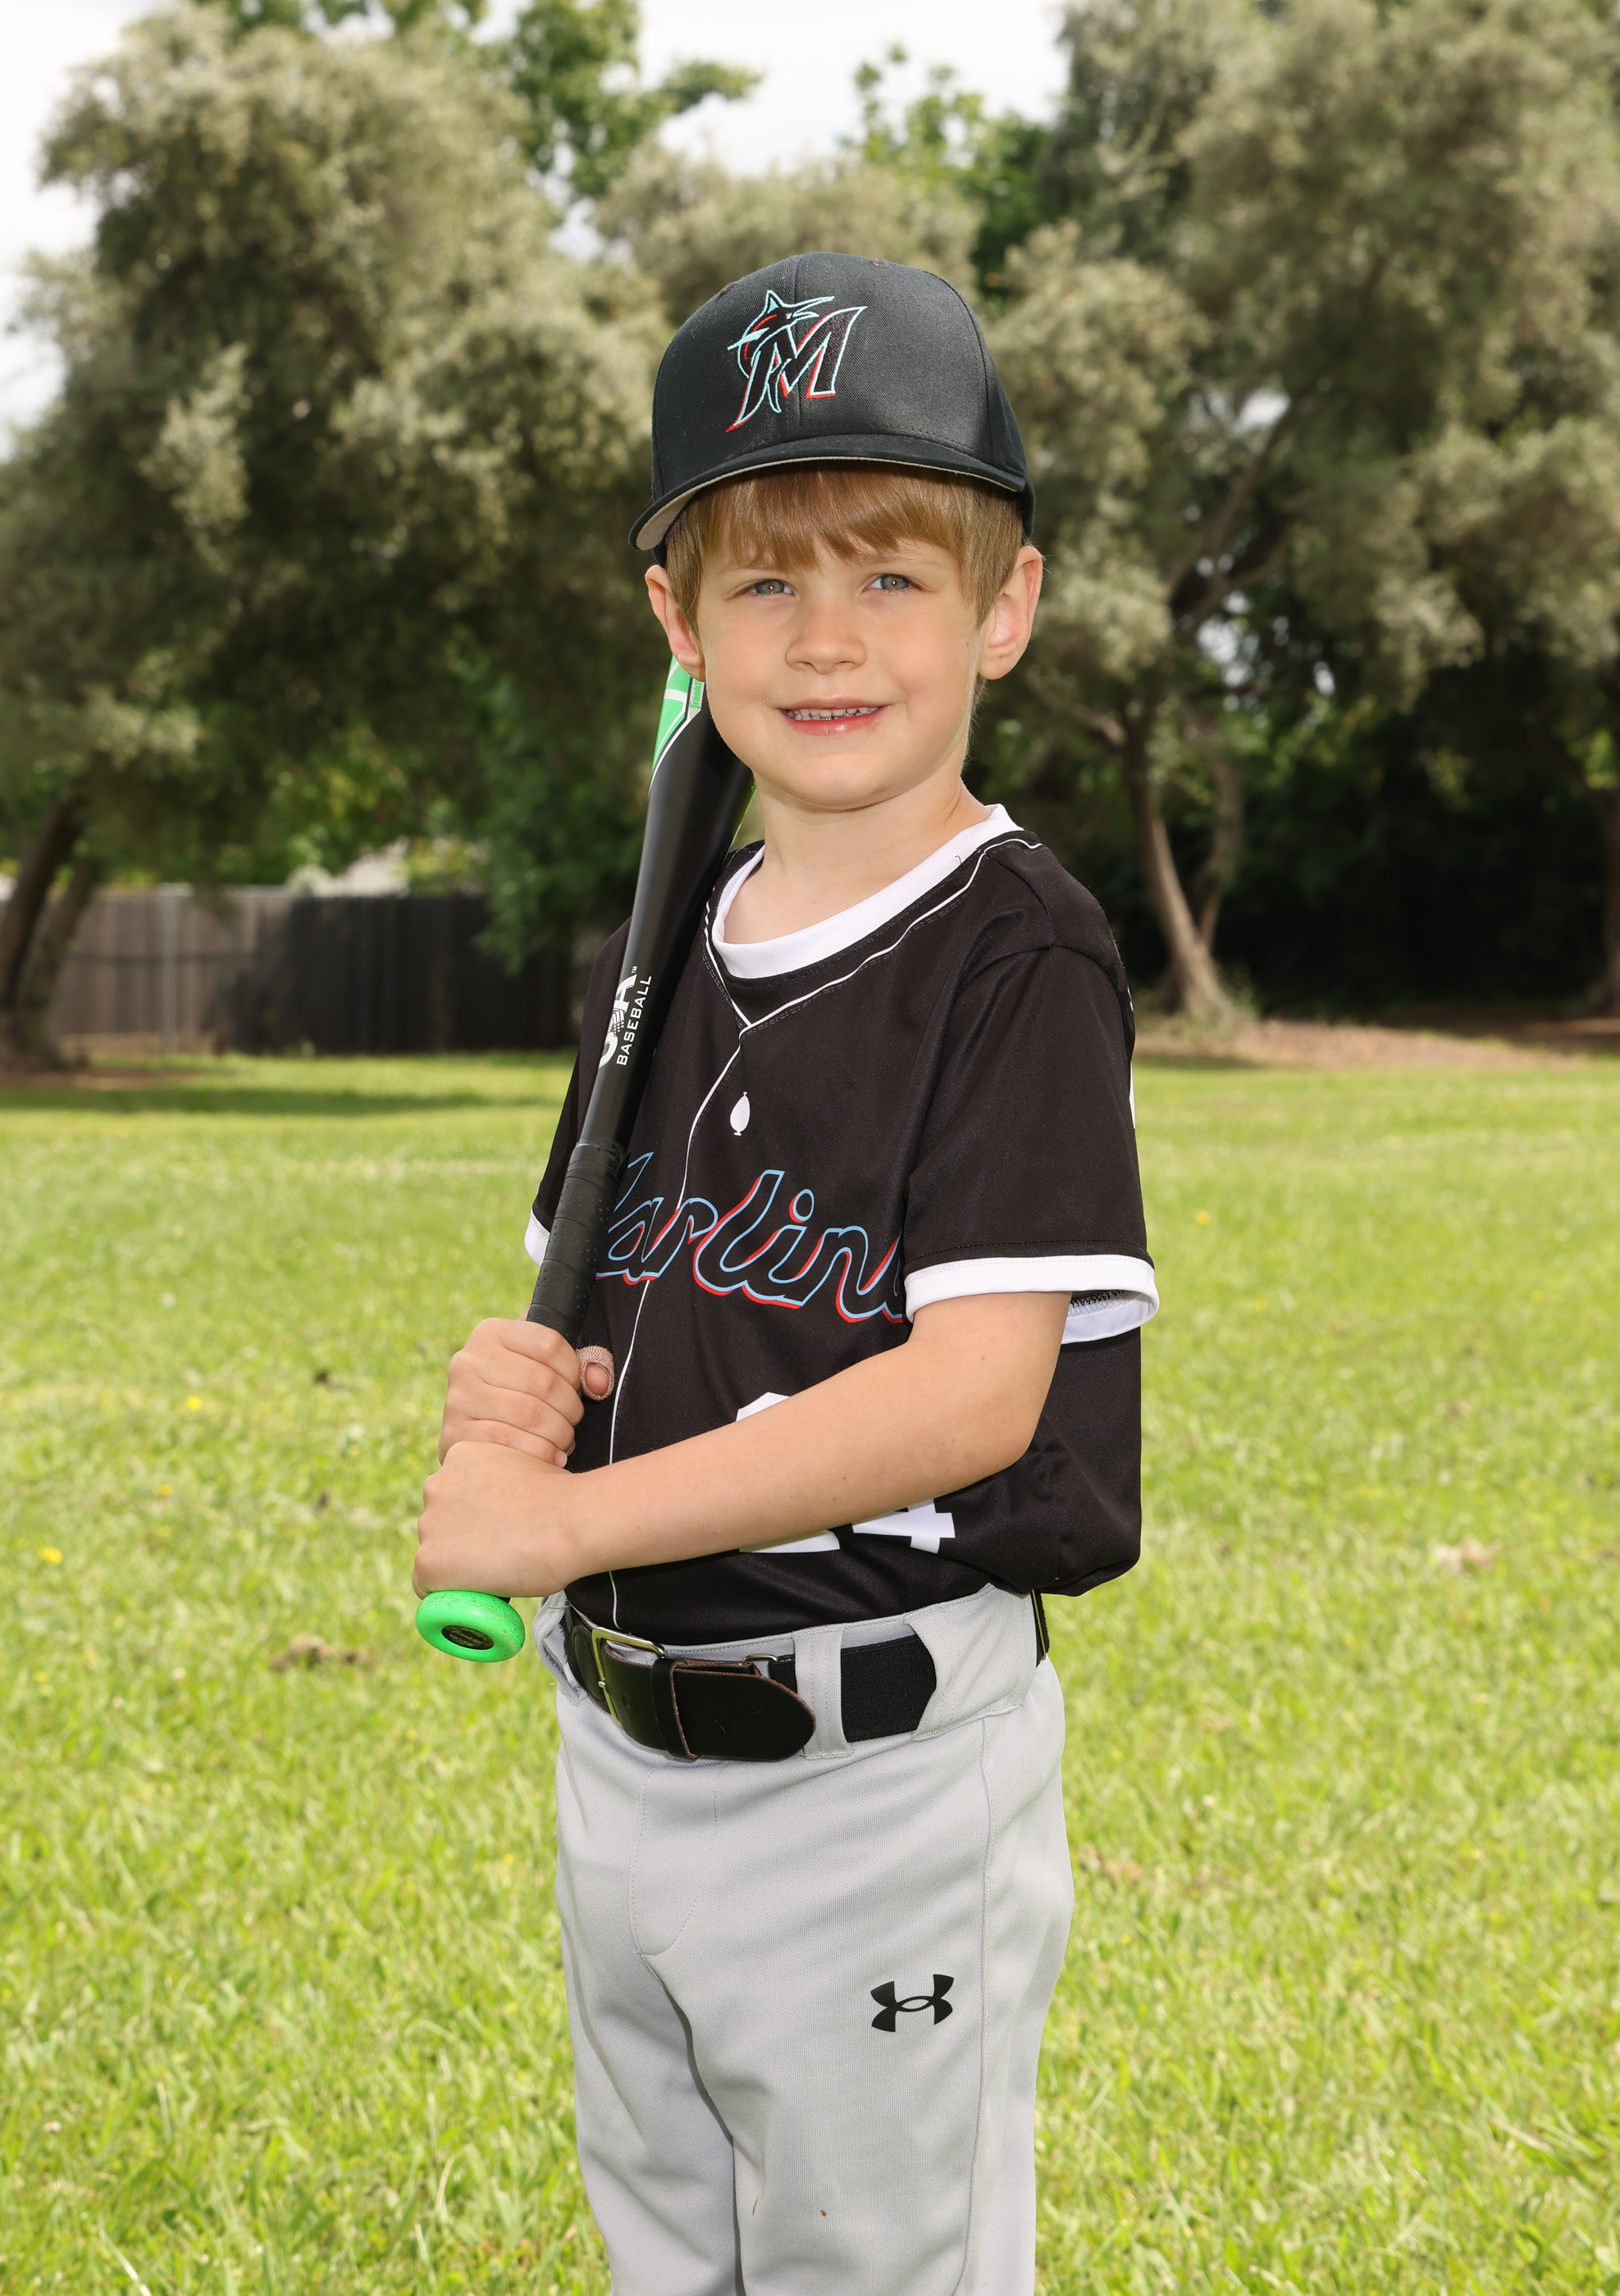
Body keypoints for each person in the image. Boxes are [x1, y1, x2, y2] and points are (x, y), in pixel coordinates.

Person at [416, 252, 1157, 2296]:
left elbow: (968, 1395)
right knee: (673, 2255)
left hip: (873, 1785)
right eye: (763, 581)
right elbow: (600, 1305)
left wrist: (564, 1520)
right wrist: (515, 1391)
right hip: (621, 1752)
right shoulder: (661, 948)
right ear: (681, 626)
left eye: (893, 575)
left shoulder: (1015, 949)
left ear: (1004, 605)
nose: (827, 636)